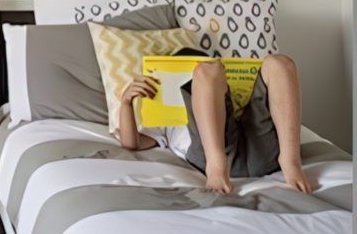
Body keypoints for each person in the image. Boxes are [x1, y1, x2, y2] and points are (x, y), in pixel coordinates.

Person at [117, 53, 312, 195]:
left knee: (280, 63)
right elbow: (131, 143)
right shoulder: (166, 121)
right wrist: (125, 104)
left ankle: (291, 161)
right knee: (206, 70)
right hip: (213, 153)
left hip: (261, 149)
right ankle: (216, 166)